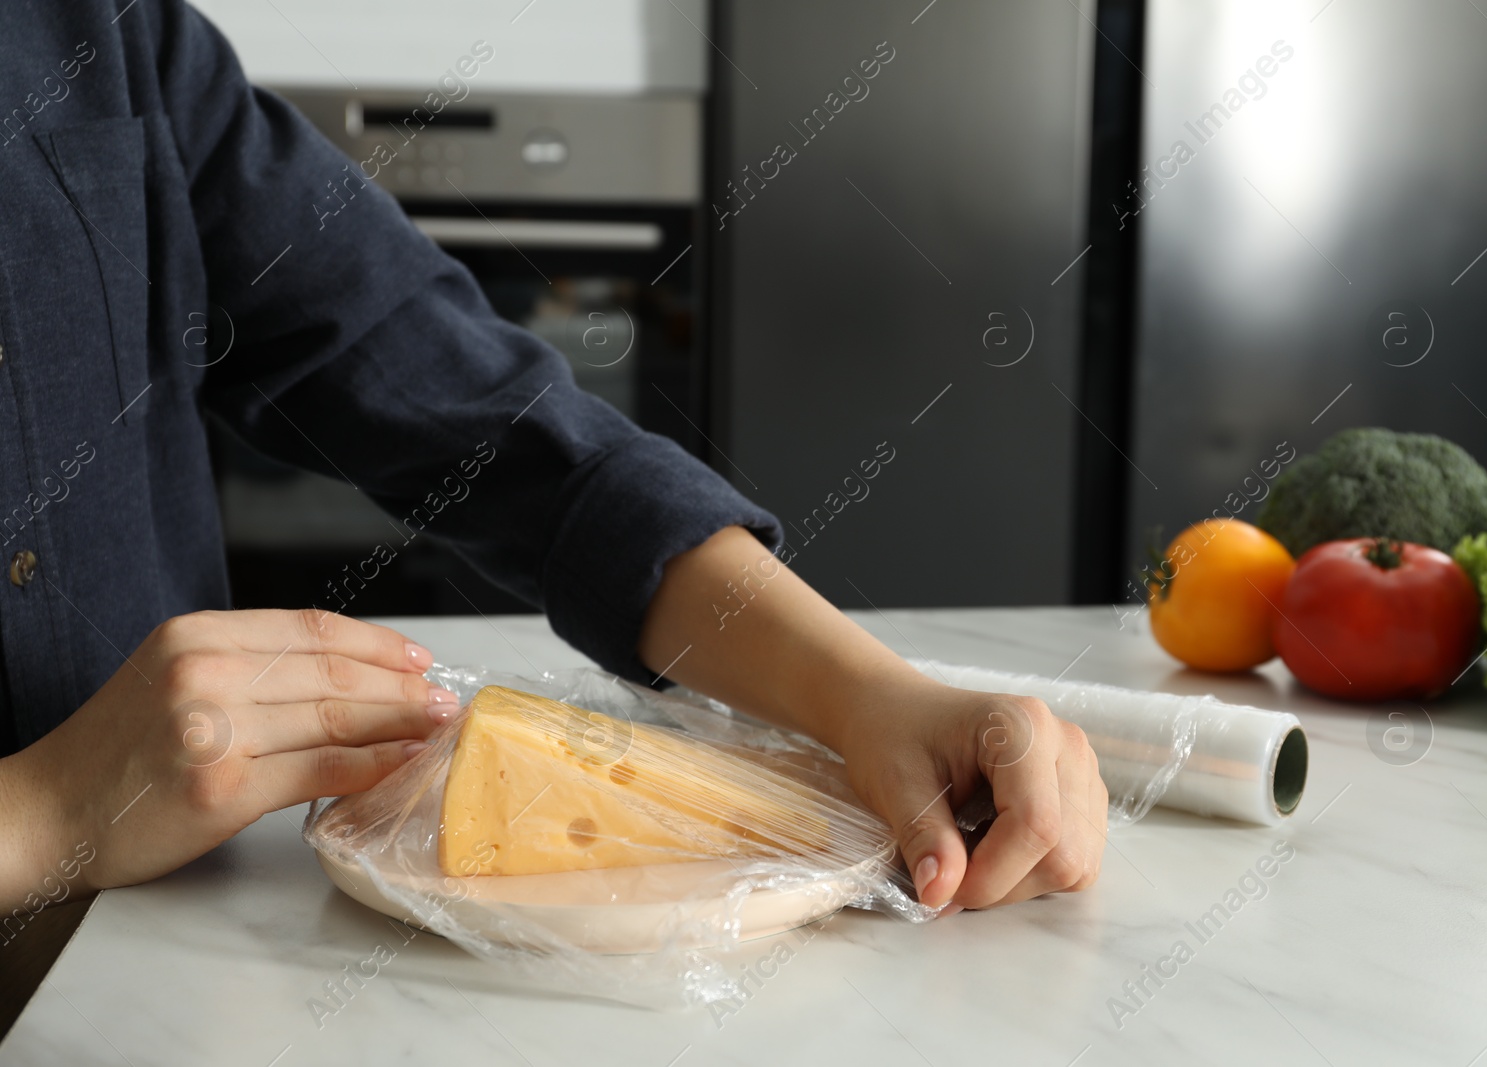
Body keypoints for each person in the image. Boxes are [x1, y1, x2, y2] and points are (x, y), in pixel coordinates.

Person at [0, 0, 1105, 918]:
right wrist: (41, 809)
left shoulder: (104, 28)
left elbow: (490, 420)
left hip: (154, 959)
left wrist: (867, 696)